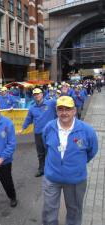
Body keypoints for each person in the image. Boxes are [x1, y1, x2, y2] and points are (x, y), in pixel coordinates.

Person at [42, 96, 98, 225]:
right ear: (56, 111)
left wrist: (76, 164)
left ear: (74, 111)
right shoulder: (49, 128)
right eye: (60, 109)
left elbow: (92, 151)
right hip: (52, 177)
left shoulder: (87, 130)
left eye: (68, 109)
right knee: (49, 212)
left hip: (75, 180)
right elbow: (46, 146)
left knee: (74, 212)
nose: (64, 113)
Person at [18, 88, 57, 177]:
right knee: (40, 153)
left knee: (50, 151)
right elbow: (28, 119)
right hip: (38, 133)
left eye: (38, 94)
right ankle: (41, 169)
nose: (37, 96)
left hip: (49, 133)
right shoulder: (32, 107)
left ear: (42, 94)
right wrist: (22, 128)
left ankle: (51, 169)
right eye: (35, 94)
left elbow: (62, 103)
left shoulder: (51, 103)